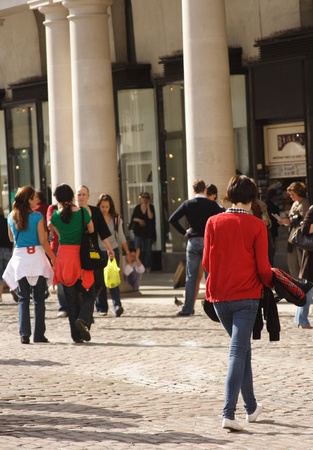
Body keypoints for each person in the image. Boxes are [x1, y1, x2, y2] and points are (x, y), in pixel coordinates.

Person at [202, 175, 273, 431]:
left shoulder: (213, 222)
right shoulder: (256, 226)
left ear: (229, 195)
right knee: (237, 352)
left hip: (219, 297)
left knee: (242, 350)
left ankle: (251, 408)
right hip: (246, 297)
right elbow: (264, 268)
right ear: (252, 199)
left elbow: (206, 264)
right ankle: (228, 413)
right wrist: (274, 282)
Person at [3, 186, 56, 344]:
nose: (37, 200)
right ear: (29, 200)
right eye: (34, 197)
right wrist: (53, 258)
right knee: (39, 298)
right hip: (36, 258)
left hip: (20, 258)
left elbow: (12, 239)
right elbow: (43, 241)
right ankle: (39, 335)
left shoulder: (11, 216)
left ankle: (24, 334)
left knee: (23, 298)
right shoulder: (37, 217)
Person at [49, 183, 97, 343]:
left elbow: (56, 233)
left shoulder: (55, 216)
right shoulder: (83, 212)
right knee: (89, 293)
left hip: (64, 257)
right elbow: (91, 230)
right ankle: (83, 319)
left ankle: (75, 336)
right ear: (72, 196)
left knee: (70, 299)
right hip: (80, 256)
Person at [168, 179, 222, 316]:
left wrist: (185, 232)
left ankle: (188, 308)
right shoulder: (211, 204)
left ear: (193, 191)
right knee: (209, 275)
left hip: (192, 242)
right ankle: (213, 308)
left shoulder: (188, 204)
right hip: (207, 241)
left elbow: (172, 219)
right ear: (205, 189)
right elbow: (223, 216)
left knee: (191, 276)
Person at [95, 193, 131, 317]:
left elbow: (120, 235)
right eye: (102, 206)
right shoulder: (95, 217)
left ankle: (117, 306)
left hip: (113, 250)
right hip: (99, 251)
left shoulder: (116, 218)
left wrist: (127, 251)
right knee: (100, 280)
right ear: (98, 206)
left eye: (107, 207)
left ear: (111, 206)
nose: (104, 209)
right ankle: (102, 308)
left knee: (113, 279)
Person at [278, 182, 309, 278]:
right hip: (292, 237)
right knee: (291, 263)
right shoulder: (295, 204)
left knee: (301, 262)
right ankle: (297, 285)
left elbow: (304, 221)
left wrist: (291, 221)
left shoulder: (304, 204)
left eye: (292, 194)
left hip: (300, 237)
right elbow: (291, 219)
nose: (290, 197)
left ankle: (304, 286)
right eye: (290, 194)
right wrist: (286, 222)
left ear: (299, 193)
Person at [46, 203, 68, 318]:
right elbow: (49, 224)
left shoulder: (72, 208)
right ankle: (63, 307)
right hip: (56, 247)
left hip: (70, 246)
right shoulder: (52, 208)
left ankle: (73, 305)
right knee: (59, 278)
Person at [294, 205, 313, 329]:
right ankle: (302, 319)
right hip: (312, 258)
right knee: (308, 289)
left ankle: (300, 318)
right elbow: (304, 228)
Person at [129, 192, 156, 272]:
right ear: (140, 198)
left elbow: (151, 217)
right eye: (143, 197)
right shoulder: (137, 207)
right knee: (137, 249)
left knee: (148, 250)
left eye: (146, 197)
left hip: (148, 232)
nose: (144, 199)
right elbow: (133, 218)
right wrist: (139, 220)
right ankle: (138, 265)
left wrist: (148, 207)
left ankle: (148, 266)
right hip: (138, 231)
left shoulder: (151, 207)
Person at [0, 206, 13, 301]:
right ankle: (13, 289)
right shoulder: (6, 221)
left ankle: (0, 296)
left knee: (0, 273)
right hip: (7, 249)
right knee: (10, 273)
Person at [266, 188, 280, 266]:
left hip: (270, 229)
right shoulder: (271, 206)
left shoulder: (267, 204)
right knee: (271, 250)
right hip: (271, 230)